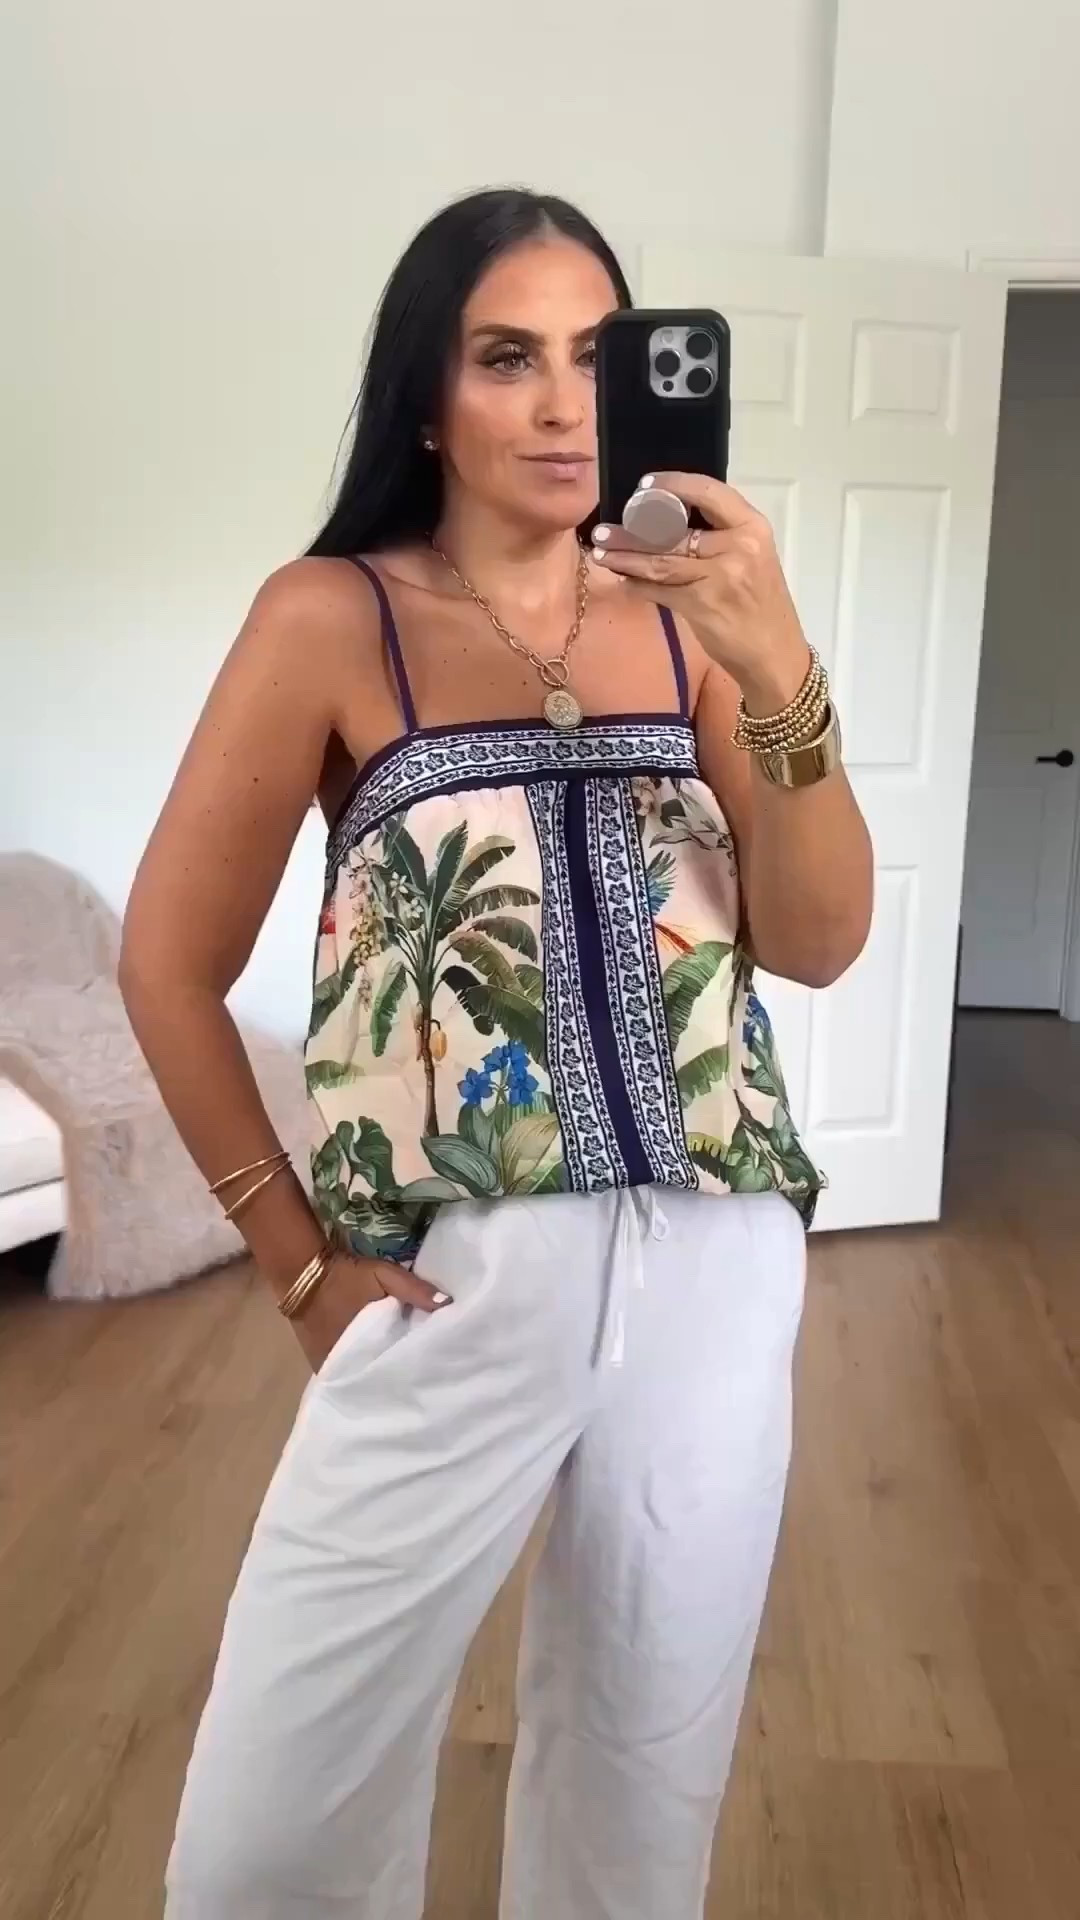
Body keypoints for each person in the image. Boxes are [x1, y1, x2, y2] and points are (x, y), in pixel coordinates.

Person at [121, 187, 872, 1920]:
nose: (563, 405)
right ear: (426, 399)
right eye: (506, 358)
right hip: (456, 1281)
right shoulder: (331, 618)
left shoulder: (695, 624)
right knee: (269, 1834)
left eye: (598, 357)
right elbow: (165, 963)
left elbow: (822, 939)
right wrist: (294, 1265)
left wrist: (778, 668)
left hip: (718, 1264)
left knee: (640, 1797)